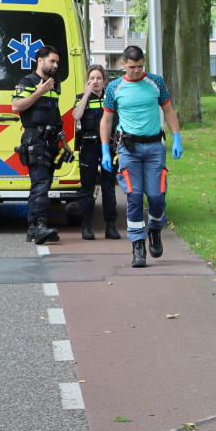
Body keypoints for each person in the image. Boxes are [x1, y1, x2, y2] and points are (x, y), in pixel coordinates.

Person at [100, 44, 185, 268]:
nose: (136, 71)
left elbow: (168, 110)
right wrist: (104, 150)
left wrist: (176, 137)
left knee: (157, 197)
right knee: (134, 197)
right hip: (129, 149)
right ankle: (138, 245)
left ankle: (155, 229)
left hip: (155, 147)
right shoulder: (114, 87)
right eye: (131, 67)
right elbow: (106, 120)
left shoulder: (156, 82)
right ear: (122, 65)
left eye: (139, 66)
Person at [10, 44, 67, 245]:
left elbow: (54, 114)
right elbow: (16, 106)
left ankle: (34, 228)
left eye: (57, 62)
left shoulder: (54, 83)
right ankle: (39, 225)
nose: (55, 65)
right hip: (35, 139)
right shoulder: (29, 82)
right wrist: (38, 92)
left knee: (43, 184)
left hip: (51, 140)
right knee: (41, 184)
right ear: (40, 60)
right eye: (52, 61)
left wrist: (64, 141)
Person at [71, 65, 120, 240]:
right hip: (89, 146)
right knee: (87, 187)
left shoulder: (111, 98)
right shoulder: (82, 98)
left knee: (108, 187)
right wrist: (85, 95)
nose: (95, 82)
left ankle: (111, 226)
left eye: (98, 78)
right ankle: (86, 227)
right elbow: (76, 116)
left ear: (105, 80)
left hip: (108, 146)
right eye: (92, 78)